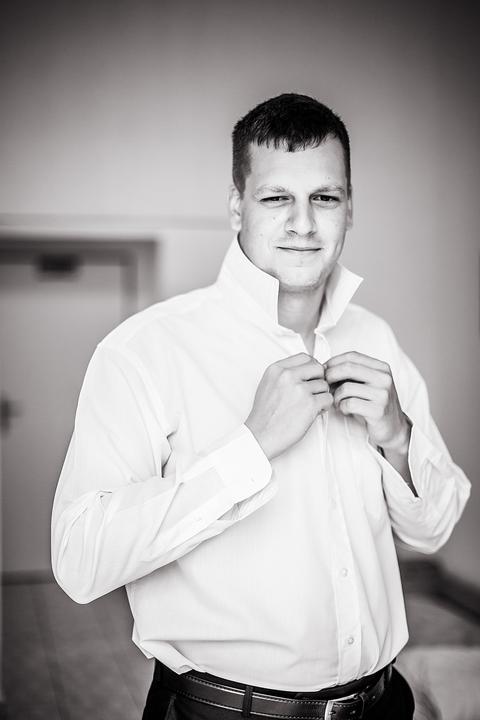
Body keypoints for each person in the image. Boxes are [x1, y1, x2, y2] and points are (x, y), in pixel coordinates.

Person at [51, 93, 470, 720]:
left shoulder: (374, 337)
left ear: (349, 208)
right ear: (236, 206)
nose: (303, 223)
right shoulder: (145, 351)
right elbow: (79, 560)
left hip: (381, 705)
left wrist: (398, 435)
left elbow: (432, 529)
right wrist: (248, 450)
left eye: (324, 197)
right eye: (276, 198)